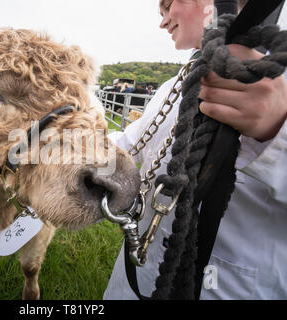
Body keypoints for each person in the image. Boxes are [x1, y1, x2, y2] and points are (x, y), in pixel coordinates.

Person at [104, 0, 287, 300]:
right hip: (134, 277)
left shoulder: (279, 79)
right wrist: (63, 139)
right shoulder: (173, 86)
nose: (163, 22)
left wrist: (279, 128)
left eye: (168, 5)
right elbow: (129, 143)